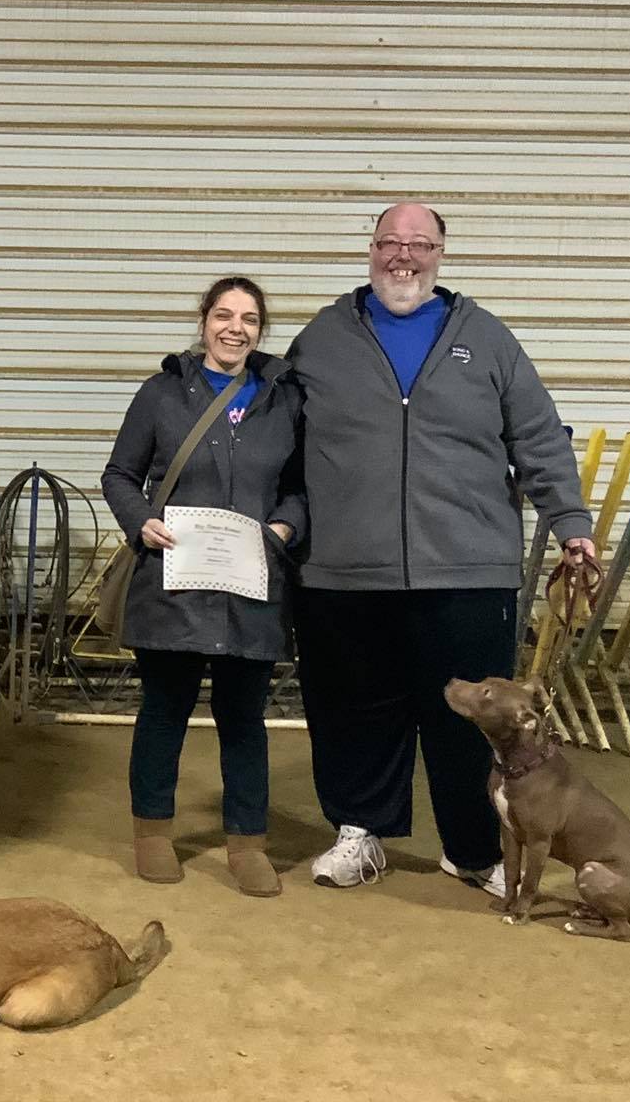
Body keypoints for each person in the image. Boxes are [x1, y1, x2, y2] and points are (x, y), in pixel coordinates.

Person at [287, 202, 595, 895]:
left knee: (470, 720)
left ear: (441, 253)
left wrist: (571, 522)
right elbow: (282, 446)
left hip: (466, 565)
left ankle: (474, 850)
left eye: (419, 244)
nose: (404, 256)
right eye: (390, 242)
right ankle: (359, 834)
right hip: (343, 571)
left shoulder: (485, 338)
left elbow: (538, 435)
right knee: (352, 710)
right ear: (371, 250)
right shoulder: (323, 338)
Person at [100, 277, 306, 895]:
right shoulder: (162, 393)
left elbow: (300, 487)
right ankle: (152, 833)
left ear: (260, 331)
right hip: (174, 582)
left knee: (244, 719)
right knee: (164, 711)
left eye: (248, 319)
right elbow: (119, 474)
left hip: (251, 584)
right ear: (204, 321)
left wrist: (284, 526)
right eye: (223, 315)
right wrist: (141, 522)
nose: (234, 328)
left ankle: (248, 843)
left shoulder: (284, 400)